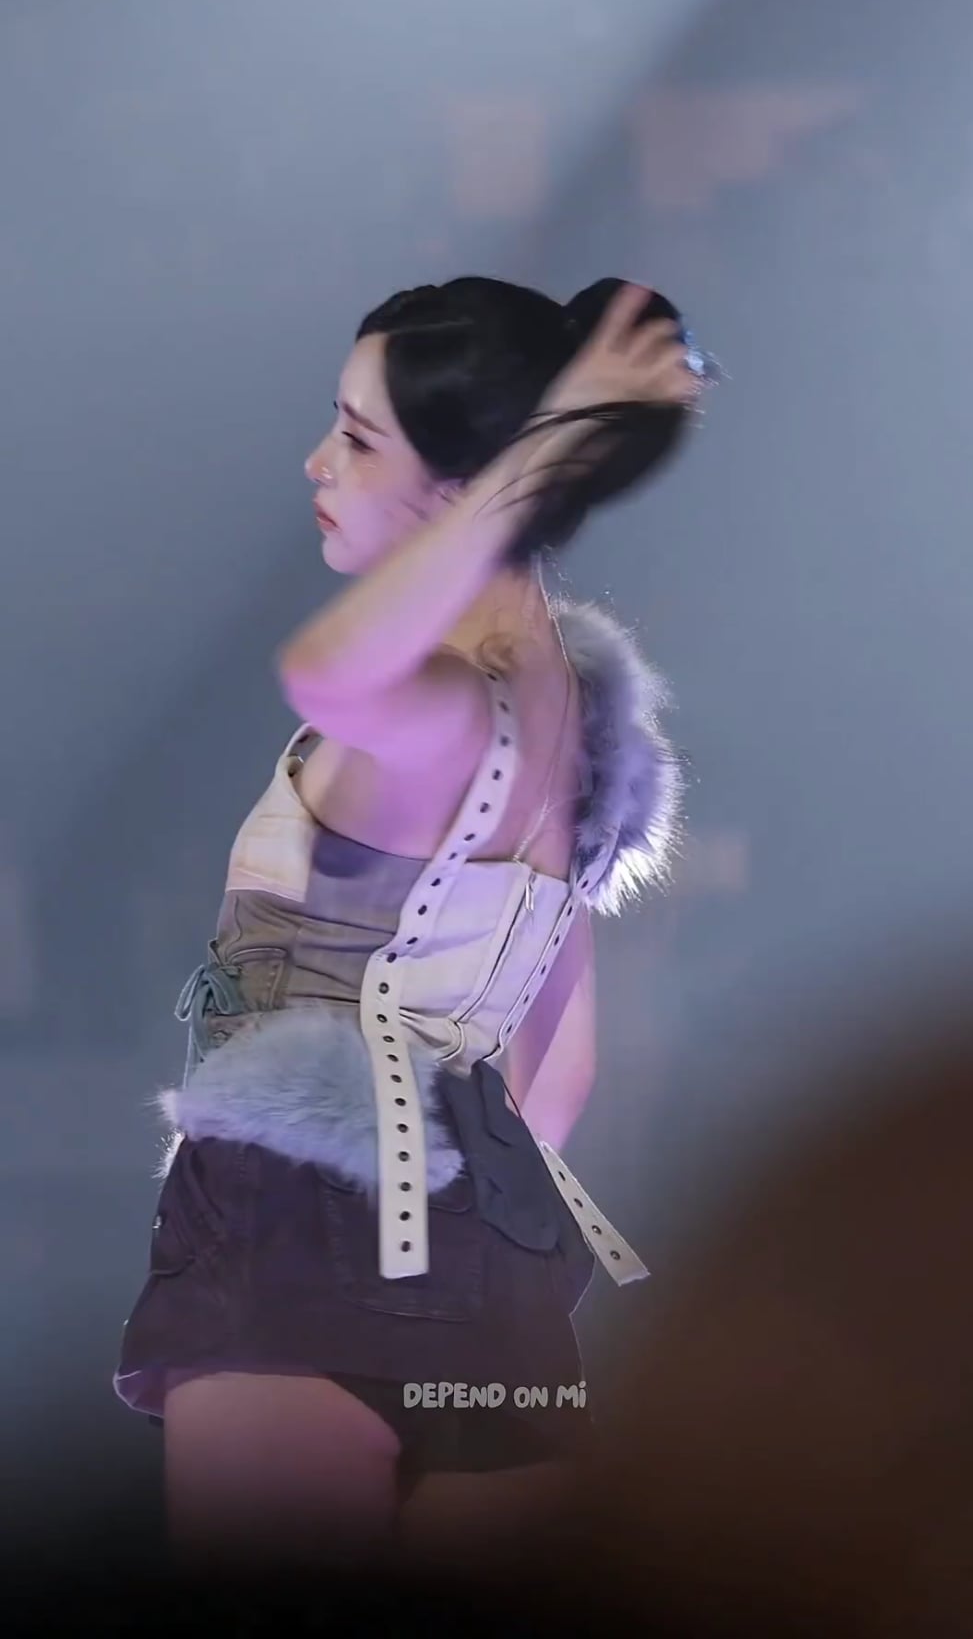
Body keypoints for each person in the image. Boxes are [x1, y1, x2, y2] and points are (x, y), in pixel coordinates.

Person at [113, 275, 710, 1566]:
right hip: (497, 1274)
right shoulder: (575, 729)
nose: (318, 462)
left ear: (459, 486)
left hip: (294, 1234)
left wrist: (530, 468)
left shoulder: (431, 706)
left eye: (358, 436)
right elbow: (560, 1070)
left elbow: (325, 669)